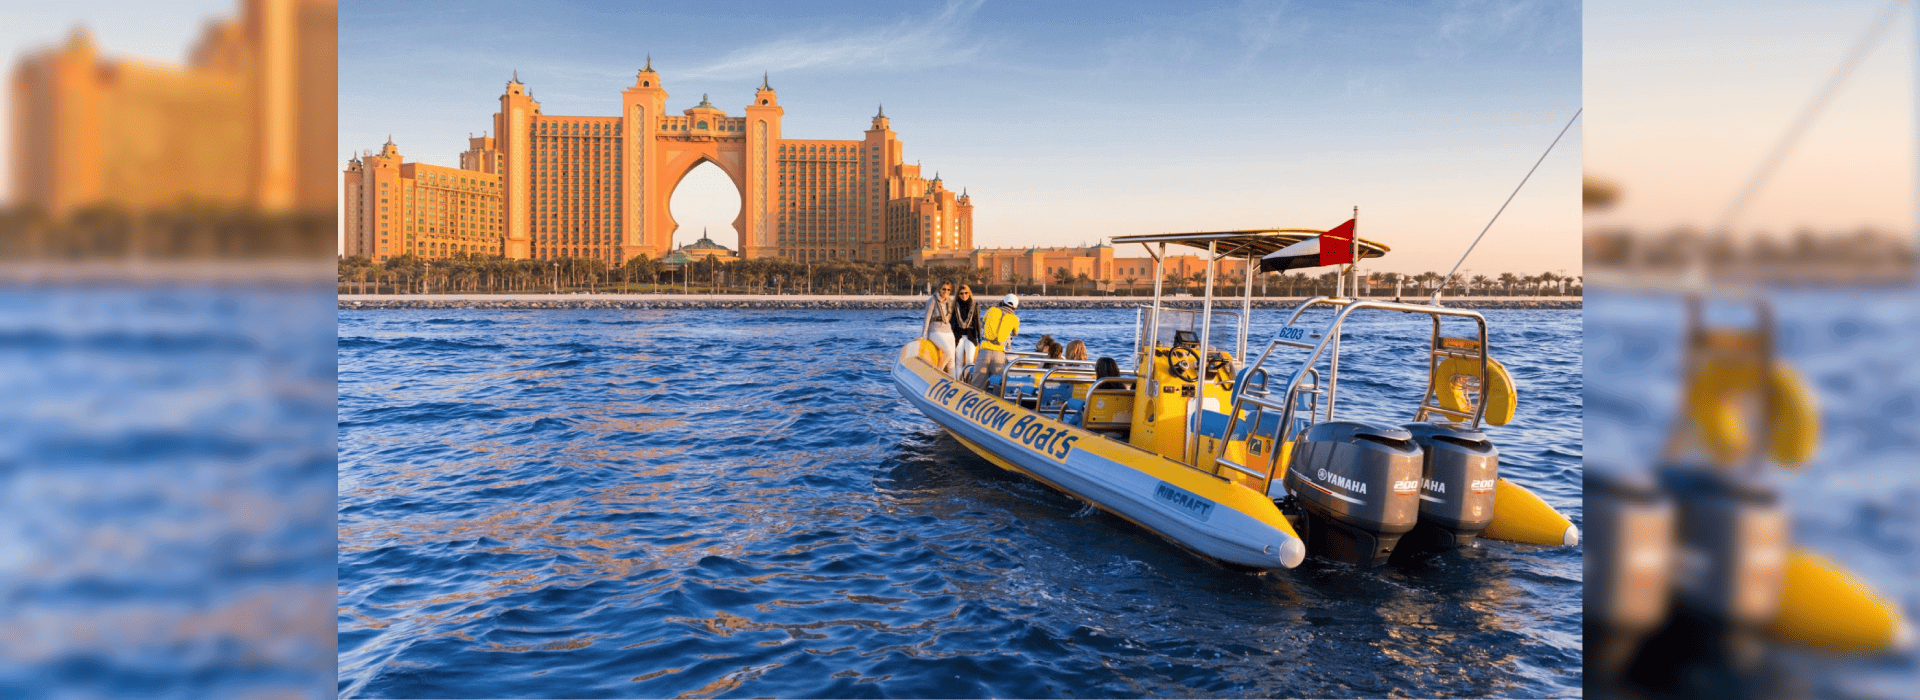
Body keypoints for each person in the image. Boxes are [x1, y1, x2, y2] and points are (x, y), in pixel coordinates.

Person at [971, 293, 1020, 389]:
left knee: (977, 383)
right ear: (1015, 307)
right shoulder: (1015, 319)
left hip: (984, 351)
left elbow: (983, 323)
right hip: (999, 353)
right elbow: (1015, 333)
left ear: (1003, 302)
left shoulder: (991, 310)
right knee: (998, 384)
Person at [922, 282, 956, 374]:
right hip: (935, 330)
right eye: (944, 289)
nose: (946, 291)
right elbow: (927, 317)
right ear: (939, 289)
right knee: (948, 352)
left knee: (952, 357)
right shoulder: (932, 300)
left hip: (948, 330)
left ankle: (954, 380)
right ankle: (938, 373)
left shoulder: (949, 302)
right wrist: (924, 334)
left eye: (948, 290)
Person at [949, 285, 980, 376]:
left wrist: (979, 339)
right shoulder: (954, 306)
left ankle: (967, 381)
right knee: (958, 361)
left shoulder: (974, 305)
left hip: (971, 337)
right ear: (958, 294)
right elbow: (952, 323)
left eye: (966, 293)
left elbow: (977, 323)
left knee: (969, 361)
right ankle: (959, 382)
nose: (964, 295)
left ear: (969, 293)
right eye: (961, 293)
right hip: (958, 336)